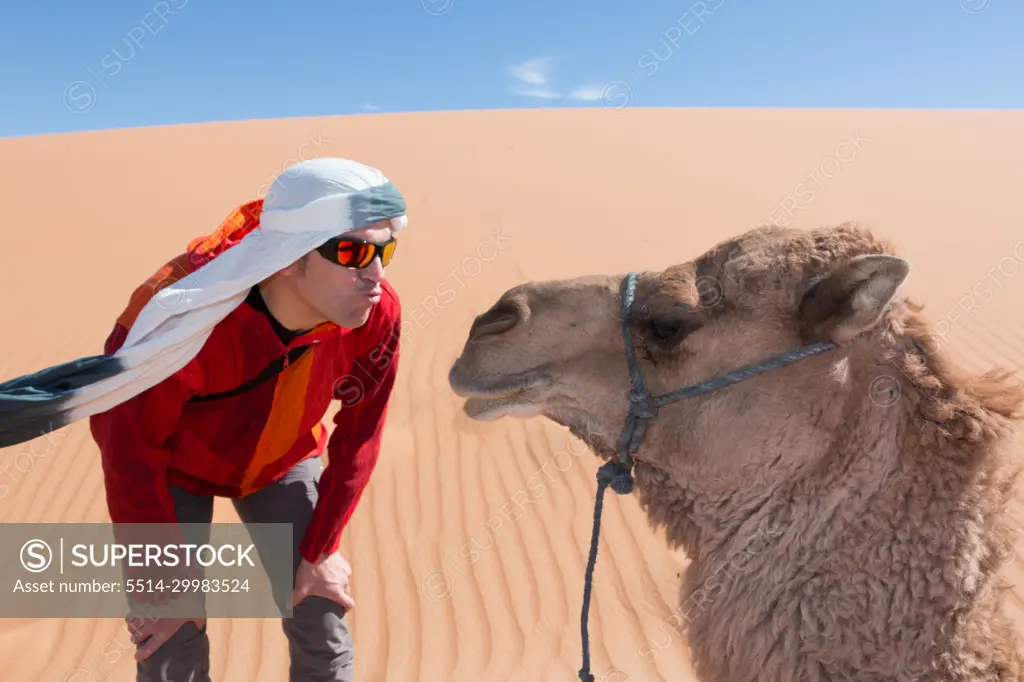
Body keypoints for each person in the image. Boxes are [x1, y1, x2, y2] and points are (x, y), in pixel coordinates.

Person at [0, 157, 407, 681]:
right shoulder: (175, 319)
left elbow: (361, 435)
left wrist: (320, 548)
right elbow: (129, 448)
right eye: (353, 252)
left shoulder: (378, 314)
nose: (376, 275)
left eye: (386, 250)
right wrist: (163, 576)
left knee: (322, 613)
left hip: (280, 458)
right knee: (171, 641)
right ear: (288, 257)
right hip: (172, 470)